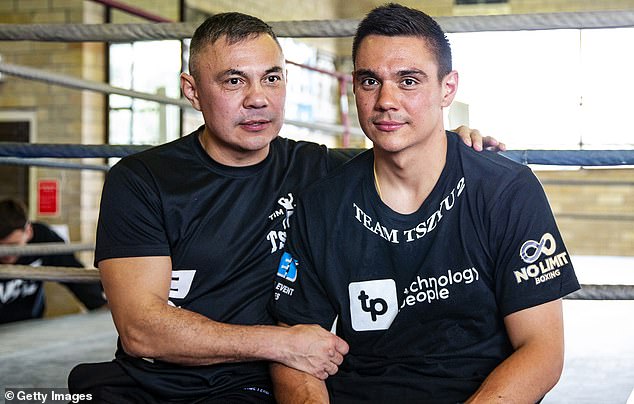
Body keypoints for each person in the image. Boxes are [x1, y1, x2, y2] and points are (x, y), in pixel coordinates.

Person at [68, 12, 503, 403]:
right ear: (193, 91)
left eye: (272, 78)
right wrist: (281, 343)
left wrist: (455, 141)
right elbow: (141, 329)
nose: (258, 98)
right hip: (143, 383)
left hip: (249, 387)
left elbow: (409, 157)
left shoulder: (318, 169)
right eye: (234, 80)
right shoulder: (142, 179)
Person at [269, 4, 580, 404]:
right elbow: (292, 353)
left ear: (447, 88)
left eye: (409, 81)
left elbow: (542, 351)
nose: (386, 100)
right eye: (369, 81)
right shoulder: (322, 204)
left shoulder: (505, 190)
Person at [0, 198, 106, 324]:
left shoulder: (43, 237)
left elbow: (72, 272)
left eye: (13, 245)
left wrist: (100, 306)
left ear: (28, 231)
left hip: (29, 327)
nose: (5, 253)